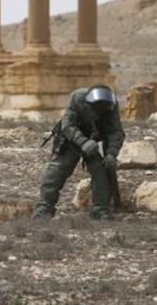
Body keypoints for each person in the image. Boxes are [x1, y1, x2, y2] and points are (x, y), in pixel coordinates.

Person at [34, 85, 125, 220]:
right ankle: (44, 209)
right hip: (71, 139)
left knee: (102, 172)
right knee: (56, 170)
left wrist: (112, 153)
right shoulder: (77, 98)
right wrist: (83, 142)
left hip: (96, 141)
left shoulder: (112, 105)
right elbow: (68, 125)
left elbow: (116, 131)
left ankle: (100, 210)